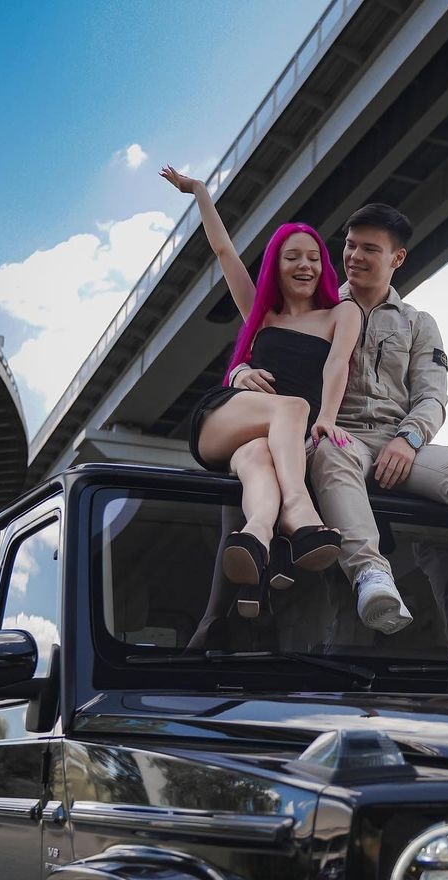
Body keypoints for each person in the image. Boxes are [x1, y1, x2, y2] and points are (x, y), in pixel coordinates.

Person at [229, 202, 448, 661]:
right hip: (337, 433)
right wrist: (240, 371)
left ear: (397, 258)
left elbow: (432, 396)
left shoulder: (417, 323)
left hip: (398, 440)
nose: (354, 256)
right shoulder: (318, 305)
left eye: (369, 248)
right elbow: (266, 340)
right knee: (330, 450)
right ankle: (370, 575)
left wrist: (410, 438)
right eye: (349, 245)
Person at [160, 165, 358, 616]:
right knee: (293, 407)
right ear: (276, 266)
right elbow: (224, 251)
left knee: (257, 461)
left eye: (313, 257)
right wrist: (200, 191)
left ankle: (258, 537)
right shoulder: (262, 314)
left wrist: (327, 418)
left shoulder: (341, 315)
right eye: (292, 257)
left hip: (265, 440)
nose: (305, 265)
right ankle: (299, 510)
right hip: (224, 419)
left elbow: (337, 366)